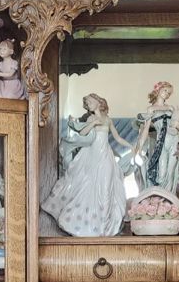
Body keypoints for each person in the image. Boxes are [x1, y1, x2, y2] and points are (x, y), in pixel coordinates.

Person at [41, 92, 132, 236]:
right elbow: (83, 133)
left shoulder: (107, 119)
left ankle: (105, 225)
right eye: (87, 103)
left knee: (106, 187)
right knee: (86, 184)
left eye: (90, 102)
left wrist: (131, 146)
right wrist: (93, 123)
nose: (88, 105)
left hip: (105, 155)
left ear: (98, 102)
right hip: (91, 154)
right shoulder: (91, 118)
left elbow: (117, 137)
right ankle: (91, 224)